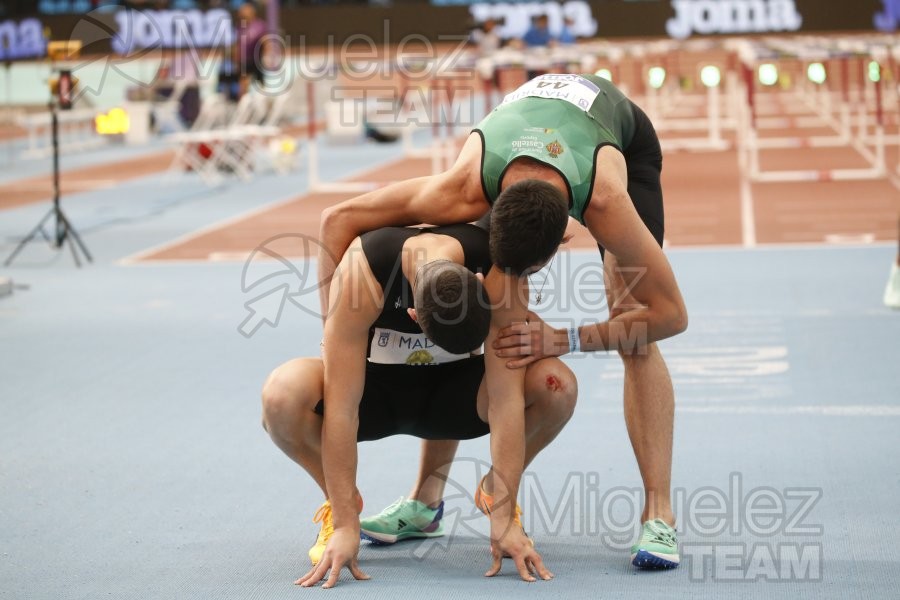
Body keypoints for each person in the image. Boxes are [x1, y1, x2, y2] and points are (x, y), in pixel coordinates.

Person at [317, 72, 689, 570]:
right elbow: (335, 220)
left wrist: (564, 337)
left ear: (566, 237)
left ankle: (658, 513)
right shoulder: (461, 189)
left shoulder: (604, 204)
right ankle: (426, 502)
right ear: (489, 215)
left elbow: (670, 315)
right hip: (517, 148)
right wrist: (338, 330)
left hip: (613, 137)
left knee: (631, 321)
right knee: (454, 304)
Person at [264, 189, 575, 588]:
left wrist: (502, 515)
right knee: (281, 394)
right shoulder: (363, 276)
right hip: (374, 389)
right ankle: (341, 504)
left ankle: (486, 493)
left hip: (456, 394)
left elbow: (504, 399)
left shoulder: (499, 272)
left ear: (481, 284)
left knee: (557, 385)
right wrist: (345, 524)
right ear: (414, 313)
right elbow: (342, 409)